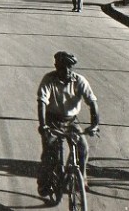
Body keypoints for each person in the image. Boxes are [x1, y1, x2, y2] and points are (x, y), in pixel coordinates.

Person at [37, 51, 99, 196]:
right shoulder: (49, 79)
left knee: (83, 148)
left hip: (71, 121)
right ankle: (44, 183)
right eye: (62, 67)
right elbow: (42, 102)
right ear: (56, 66)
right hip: (52, 120)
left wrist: (95, 124)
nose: (66, 71)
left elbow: (92, 102)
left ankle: (81, 179)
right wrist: (43, 125)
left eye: (69, 67)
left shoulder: (79, 80)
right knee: (50, 153)